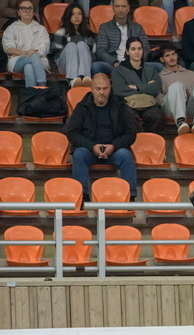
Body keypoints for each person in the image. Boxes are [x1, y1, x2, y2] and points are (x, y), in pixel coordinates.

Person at [65, 73, 138, 204]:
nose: (101, 92)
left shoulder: (120, 105)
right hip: (89, 150)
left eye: (105, 88)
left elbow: (131, 133)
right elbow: (72, 132)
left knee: (126, 155)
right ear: (92, 89)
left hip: (114, 150)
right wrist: (91, 146)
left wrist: (114, 146)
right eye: (98, 89)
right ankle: (83, 198)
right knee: (79, 154)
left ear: (110, 88)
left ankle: (130, 198)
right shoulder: (82, 107)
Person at [112, 37, 164, 131]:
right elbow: (119, 90)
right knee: (128, 118)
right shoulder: (118, 71)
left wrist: (137, 87)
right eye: (133, 49)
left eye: (139, 48)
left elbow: (156, 88)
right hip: (128, 105)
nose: (137, 52)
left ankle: (150, 139)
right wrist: (147, 86)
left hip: (149, 104)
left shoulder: (150, 69)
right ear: (127, 52)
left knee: (157, 116)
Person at [158, 45, 194, 135]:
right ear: (162, 59)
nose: (171, 58)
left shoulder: (191, 74)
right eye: (167, 55)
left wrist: (187, 94)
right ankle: (180, 121)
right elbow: (159, 100)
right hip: (171, 109)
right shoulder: (159, 76)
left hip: (190, 109)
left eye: (173, 54)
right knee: (177, 86)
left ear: (177, 55)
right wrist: (177, 95)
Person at [49, 3, 100, 88]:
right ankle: (72, 80)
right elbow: (55, 55)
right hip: (65, 66)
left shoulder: (89, 34)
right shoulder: (61, 32)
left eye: (79, 14)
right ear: (68, 16)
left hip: (85, 66)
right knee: (71, 45)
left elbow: (94, 54)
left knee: (82, 44)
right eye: (73, 14)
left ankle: (85, 78)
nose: (77, 17)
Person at [2, 0, 49, 88]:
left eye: (30, 8)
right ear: (18, 12)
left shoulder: (41, 29)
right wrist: (26, 53)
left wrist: (31, 54)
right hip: (17, 61)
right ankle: (42, 86)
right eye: (23, 8)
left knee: (28, 67)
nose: (27, 11)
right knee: (33, 56)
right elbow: (8, 48)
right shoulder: (11, 28)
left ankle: (31, 93)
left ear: (33, 12)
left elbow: (45, 48)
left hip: (40, 60)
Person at [95, 0, 150, 74]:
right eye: (117, 6)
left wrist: (135, 62)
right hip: (113, 65)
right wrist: (114, 62)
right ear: (113, 8)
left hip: (135, 63)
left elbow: (145, 48)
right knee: (96, 66)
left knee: (158, 66)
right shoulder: (105, 27)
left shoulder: (137, 27)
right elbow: (100, 50)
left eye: (123, 6)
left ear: (128, 8)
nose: (120, 9)